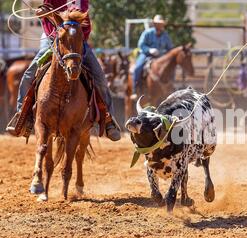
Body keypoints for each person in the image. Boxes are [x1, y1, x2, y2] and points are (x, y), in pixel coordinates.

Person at [6, 0, 121, 141]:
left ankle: (109, 120)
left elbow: (79, 14)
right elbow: (46, 8)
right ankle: (22, 116)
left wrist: (50, 14)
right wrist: (44, 12)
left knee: (100, 79)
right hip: (54, 40)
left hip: (78, 41)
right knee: (29, 74)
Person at [132, 14, 173, 98]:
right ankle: (135, 89)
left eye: (161, 23)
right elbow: (141, 45)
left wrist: (166, 55)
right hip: (146, 55)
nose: (159, 25)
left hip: (160, 57)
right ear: (154, 24)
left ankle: (169, 87)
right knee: (137, 68)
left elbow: (170, 48)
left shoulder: (165, 35)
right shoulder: (147, 33)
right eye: (157, 23)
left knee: (170, 69)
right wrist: (149, 50)